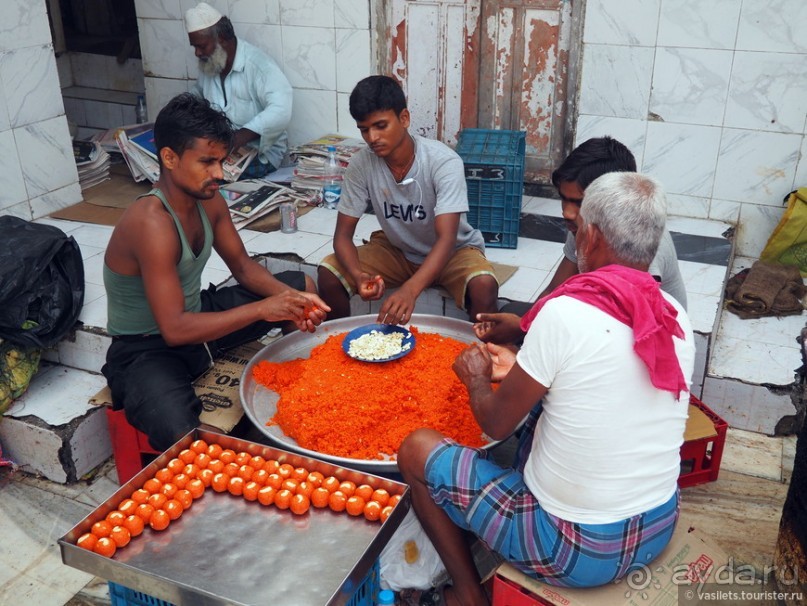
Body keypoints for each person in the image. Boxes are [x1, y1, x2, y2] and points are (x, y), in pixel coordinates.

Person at [398, 172, 695, 604]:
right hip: (656, 528)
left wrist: (477, 378)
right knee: (544, 415)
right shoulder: (672, 315)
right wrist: (522, 366)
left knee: (417, 449)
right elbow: (595, 379)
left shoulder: (566, 314)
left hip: (573, 551)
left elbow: (496, 423)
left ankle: (467, 593)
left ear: (588, 238)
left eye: (576, 230)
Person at [101, 93, 328, 451]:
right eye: (207, 162)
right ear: (170, 158)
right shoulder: (151, 223)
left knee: (300, 286)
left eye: (221, 161)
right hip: (146, 349)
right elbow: (174, 329)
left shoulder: (210, 200)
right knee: (186, 437)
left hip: (198, 318)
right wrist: (262, 309)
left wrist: (289, 299)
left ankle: (300, 391)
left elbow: (242, 266)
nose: (219, 174)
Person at [317, 75, 499, 324]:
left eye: (381, 126)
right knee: (329, 273)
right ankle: (335, 353)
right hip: (399, 251)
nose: (372, 138)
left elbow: (446, 240)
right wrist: (358, 275)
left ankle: (482, 357)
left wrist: (411, 289)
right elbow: (342, 237)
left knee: (484, 287)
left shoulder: (443, 162)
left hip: (453, 252)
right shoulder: (362, 164)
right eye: (364, 129)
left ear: (404, 119)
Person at [474, 136, 686, 344]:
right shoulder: (583, 221)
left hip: (640, 340)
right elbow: (554, 291)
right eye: (564, 199)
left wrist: (526, 347)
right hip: (597, 319)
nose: (567, 212)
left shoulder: (645, 244)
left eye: (578, 202)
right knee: (513, 317)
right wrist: (523, 325)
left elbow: (628, 333)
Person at [185, 2, 292, 178]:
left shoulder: (258, 65)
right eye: (194, 47)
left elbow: (281, 109)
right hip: (221, 149)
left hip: (261, 154)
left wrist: (239, 137)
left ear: (222, 40)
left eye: (202, 46)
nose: (197, 53)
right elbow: (198, 95)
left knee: (202, 177)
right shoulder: (210, 64)